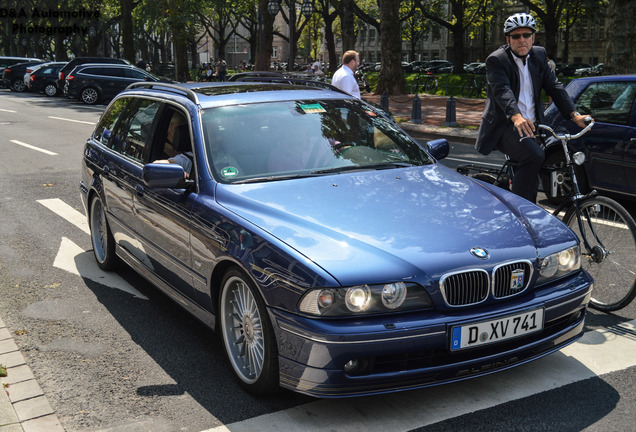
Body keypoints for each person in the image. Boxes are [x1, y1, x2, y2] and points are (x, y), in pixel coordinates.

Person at [475, 13, 591, 203]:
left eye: (526, 35)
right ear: (508, 39)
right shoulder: (497, 60)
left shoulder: (539, 55)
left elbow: (555, 86)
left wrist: (574, 115)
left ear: (533, 37)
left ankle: (528, 208)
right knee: (534, 156)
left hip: (533, 126)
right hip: (506, 125)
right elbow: (502, 90)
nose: (522, 40)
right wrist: (516, 116)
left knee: (536, 166)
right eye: (516, 36)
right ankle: (518, 209)